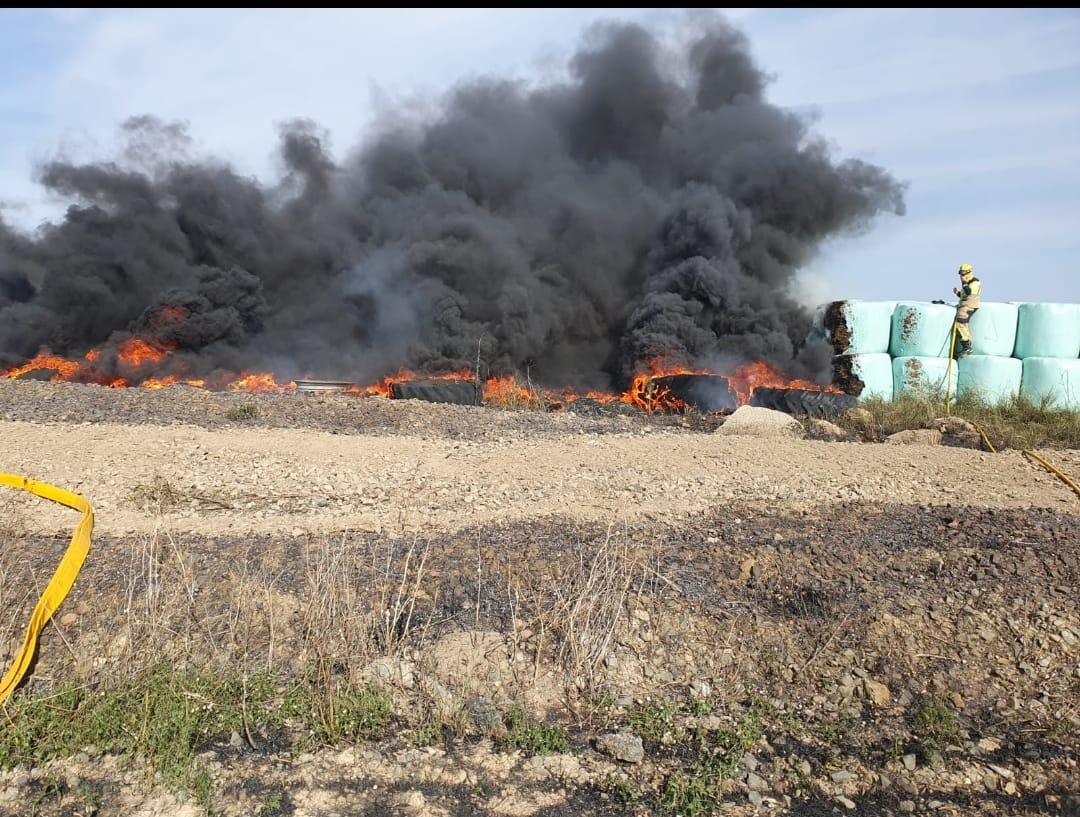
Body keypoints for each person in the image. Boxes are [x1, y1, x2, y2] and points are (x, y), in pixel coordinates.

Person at [952, 263, 981, 357]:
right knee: (963, 324)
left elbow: (969, 292)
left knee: (960, 323)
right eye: (960, 274)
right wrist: (957, 293)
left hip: (969, 306)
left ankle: (967, 346)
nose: (961, 276)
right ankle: (966, 345)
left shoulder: (975, 282)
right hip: (964, 305)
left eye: (963, 274)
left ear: (969, 273)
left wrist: (964, 282)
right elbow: (963, 295)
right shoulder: (967, 284)